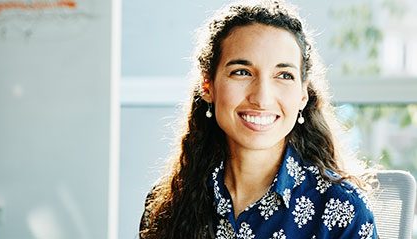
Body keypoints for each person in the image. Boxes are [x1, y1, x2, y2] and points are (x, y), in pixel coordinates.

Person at [139, 0, 378, 238]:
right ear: (207, 85)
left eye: (283, 75)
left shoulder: (343, 210)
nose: (262, 98)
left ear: (303, 94)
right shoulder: (169, 202)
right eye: (242, 72)